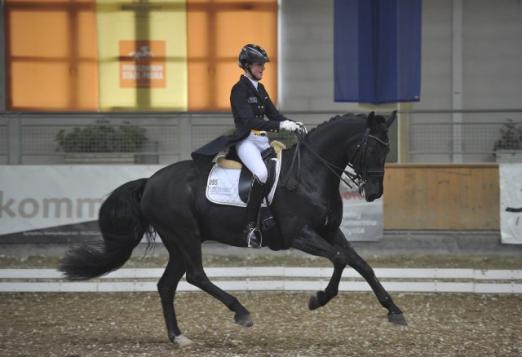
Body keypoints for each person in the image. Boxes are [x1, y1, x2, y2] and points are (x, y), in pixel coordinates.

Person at [191, 44, 303, 248]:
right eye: (259, 65)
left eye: (263, 65)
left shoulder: (260, 88)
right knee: (261, 174)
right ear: (247, 65)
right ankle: (251, 226)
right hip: (246, 141)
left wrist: (292, 124)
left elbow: (274, 115)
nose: (263, 68)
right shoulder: (239, 90)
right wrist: (279, 125)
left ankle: (272, 217)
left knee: (279, 173)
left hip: (262, 141)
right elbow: (250, 121)